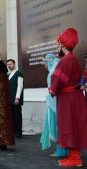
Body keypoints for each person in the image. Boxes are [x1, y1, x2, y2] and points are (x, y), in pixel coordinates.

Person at [49, 28, 87, 167]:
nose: (58, 47)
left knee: (70, 126)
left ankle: (75, 158)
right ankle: (73, 156)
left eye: (59, 44)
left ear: (63, 46)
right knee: (73, 125)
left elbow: (57, 81)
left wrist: (52, 90)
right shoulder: (72, 59)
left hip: (68, 99)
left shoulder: (66, 61)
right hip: (73, 97)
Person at [40, 53, 69, 157]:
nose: (44, 64)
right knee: (58, 126)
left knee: (57, 126)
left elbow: (54, 90)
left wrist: (50, 99)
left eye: (45, 61)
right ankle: (63, 150)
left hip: (55, 103)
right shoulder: (56, 72)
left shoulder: (53, 73)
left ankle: (61, 150)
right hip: (55, 102)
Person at [7, 59, 24, 138]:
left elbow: (20, 87)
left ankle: (19, 132)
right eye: (8, 65)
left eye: (10, 64)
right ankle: (13, 131)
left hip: (15, 99)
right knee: (11, 116)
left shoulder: (19, 74)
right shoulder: (8, 75)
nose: (9, 66)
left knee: (17, 115)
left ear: (14, 64)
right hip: (9, 99)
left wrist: (17, 98)